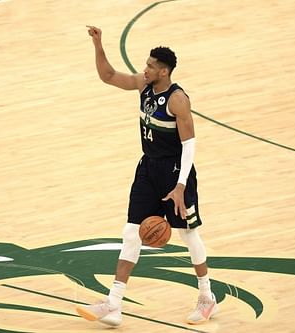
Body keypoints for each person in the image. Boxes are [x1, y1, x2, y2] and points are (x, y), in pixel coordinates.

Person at [76, 26, 218, 326]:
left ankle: (207, 296)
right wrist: (99, 44)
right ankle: (114, 304)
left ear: (164, 71)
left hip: (175, 172)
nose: (145, 69)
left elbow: (189, 146)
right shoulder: (144, 86)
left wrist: (180, 187)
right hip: (148, 169)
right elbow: (109, 76)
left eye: (151, 66)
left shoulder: (178, 100)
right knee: (131, 232)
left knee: (188, 235)